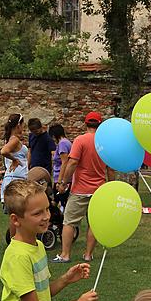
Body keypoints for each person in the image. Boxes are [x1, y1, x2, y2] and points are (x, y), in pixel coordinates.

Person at [53, 111, 114, 263]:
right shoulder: (105, 142)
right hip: (99, 190)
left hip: (80, 189)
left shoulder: (80, 140)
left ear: (85, 124)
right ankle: (88, 255)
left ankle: (65, 255)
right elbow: (110, 168)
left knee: (69, 222)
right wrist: (111, 186)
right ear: (99, 125)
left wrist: (64, 182)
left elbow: (72, 163)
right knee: (93, 223)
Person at [2, 113, 30, 238]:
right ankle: (15, 240)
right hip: (15, 180)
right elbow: (4, 151)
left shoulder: (12, 138)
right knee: (16, 214)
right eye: (23, 125)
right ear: (18, 125)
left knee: (17, 213)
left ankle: (18, 238)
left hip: (15, 178)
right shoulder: (14, 140)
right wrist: (14, 159)